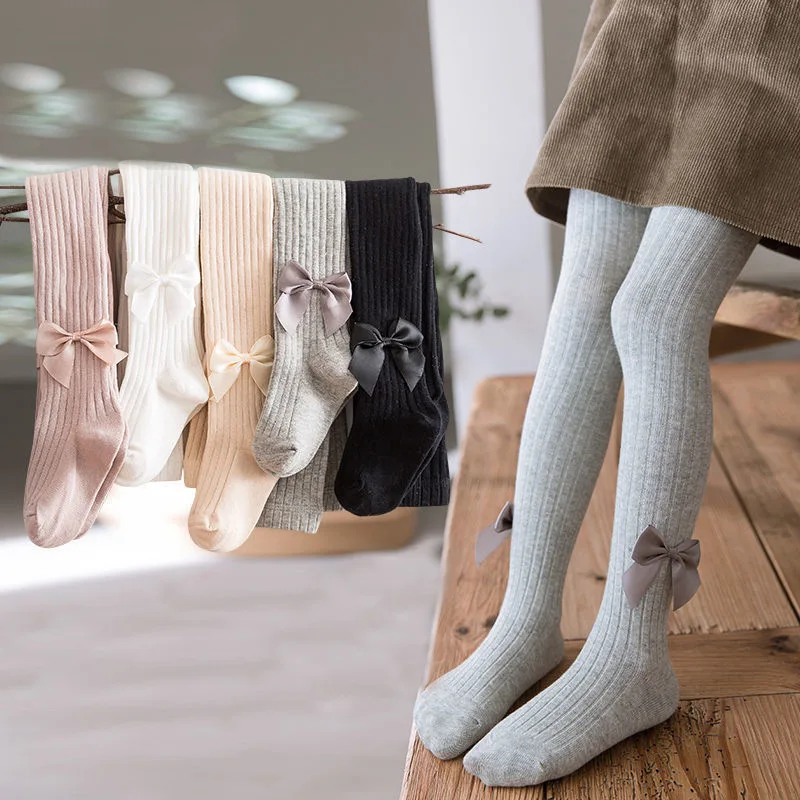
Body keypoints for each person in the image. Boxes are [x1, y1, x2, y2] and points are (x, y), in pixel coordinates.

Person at [413, 0, 800, 786]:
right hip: (646, 15)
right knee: (583, 302)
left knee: (654, 310)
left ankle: (632, 655)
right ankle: (525, 622)